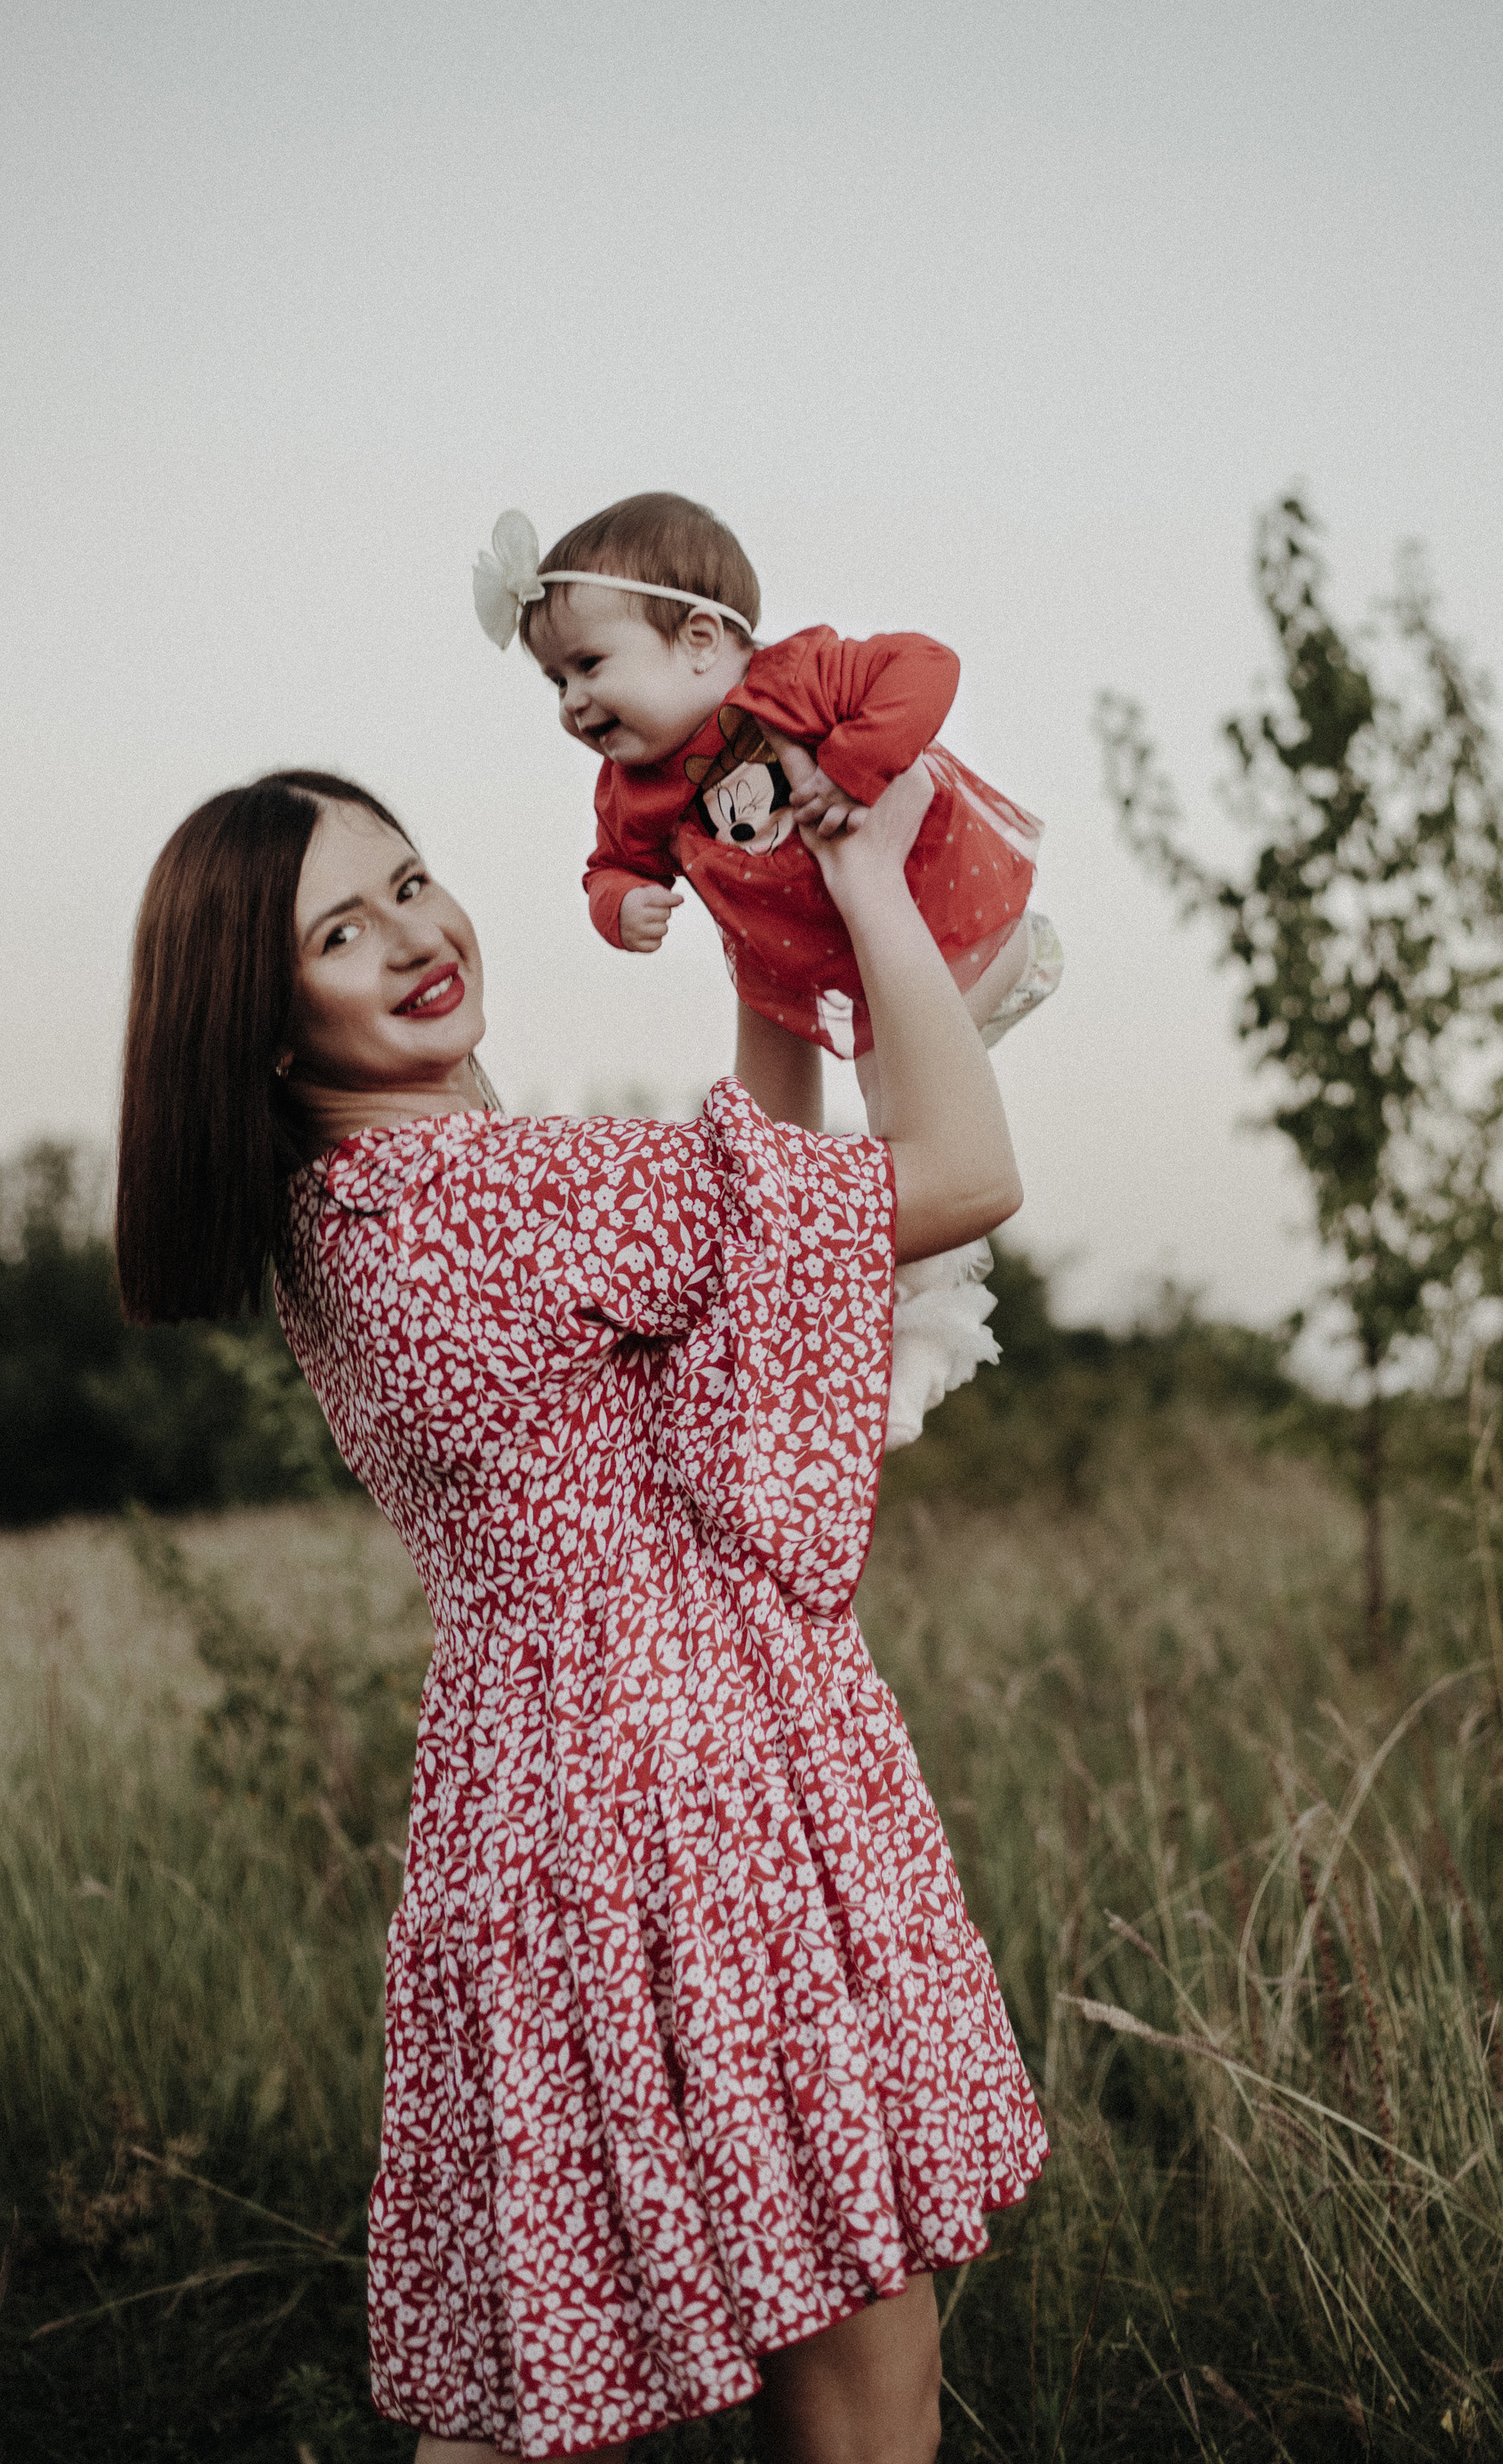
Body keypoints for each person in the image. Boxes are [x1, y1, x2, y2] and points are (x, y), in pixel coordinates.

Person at [116, 764, 1047, 2464]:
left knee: (564, 2371)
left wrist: (773, 965)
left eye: (408, 881)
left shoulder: (354, 1219)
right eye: (340, 931)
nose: (412, 938)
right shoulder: (489, 1203)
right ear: (265, 1023)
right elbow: (965, 1168)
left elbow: (756, 1213)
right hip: (689, 1799)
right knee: (856, 2340)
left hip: (557, 1799)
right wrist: (867, 884)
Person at [472, 494, 1064, 1448]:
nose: (573, 703)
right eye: (552, 683)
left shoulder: (797, 679)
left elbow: (924, 665)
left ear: (701, 638)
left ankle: (928, 1335)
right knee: (789, 1152)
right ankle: (812, 1346)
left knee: (899, 1130)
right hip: (808, 962)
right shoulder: (632, 789)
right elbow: (608, 866)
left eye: (588, 665)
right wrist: (621, 906)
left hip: (936, 914)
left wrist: (856, 764)